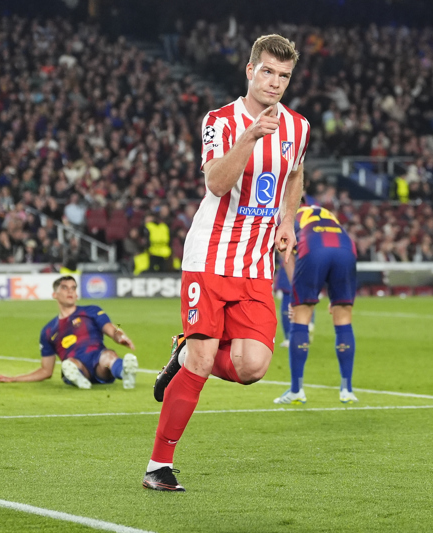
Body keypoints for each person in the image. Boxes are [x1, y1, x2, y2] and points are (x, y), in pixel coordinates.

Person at [144, 34, 310, 492]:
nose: (275, 83)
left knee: (253, 365)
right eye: (268, 72)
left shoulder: (298, 126)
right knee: (203, 358)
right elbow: (216, 183)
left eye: (284, 76)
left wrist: (288, 219)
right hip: (211, 256)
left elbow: (295, 172)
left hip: (256, 264)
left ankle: (184, 350)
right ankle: (158, 465)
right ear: (250, 70)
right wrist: (251, 137)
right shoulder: (220, 121)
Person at [274, 205, 358, 404]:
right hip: (346, 246)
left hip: (313, 245)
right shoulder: (324, 211)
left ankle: (296, 390)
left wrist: (298, 298)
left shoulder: (285, 215)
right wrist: (335, 297)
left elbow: (285, 253)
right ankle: (347, 390)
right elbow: (331, 247)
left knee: (301, 316)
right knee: (343, 316)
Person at [0, 275, 138, 389]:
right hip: (77, 364)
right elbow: (46, 371)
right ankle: (78, 379)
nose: (70, 291)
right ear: (54, 294)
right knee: (69, 365)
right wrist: (14, 378)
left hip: (99, 362)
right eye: (65, 288)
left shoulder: (92, 310)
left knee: (108, 356)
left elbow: (113, 328)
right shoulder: (48, 330)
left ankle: (126, 373)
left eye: (73, 288)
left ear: (76, 295)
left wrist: (121, 336)